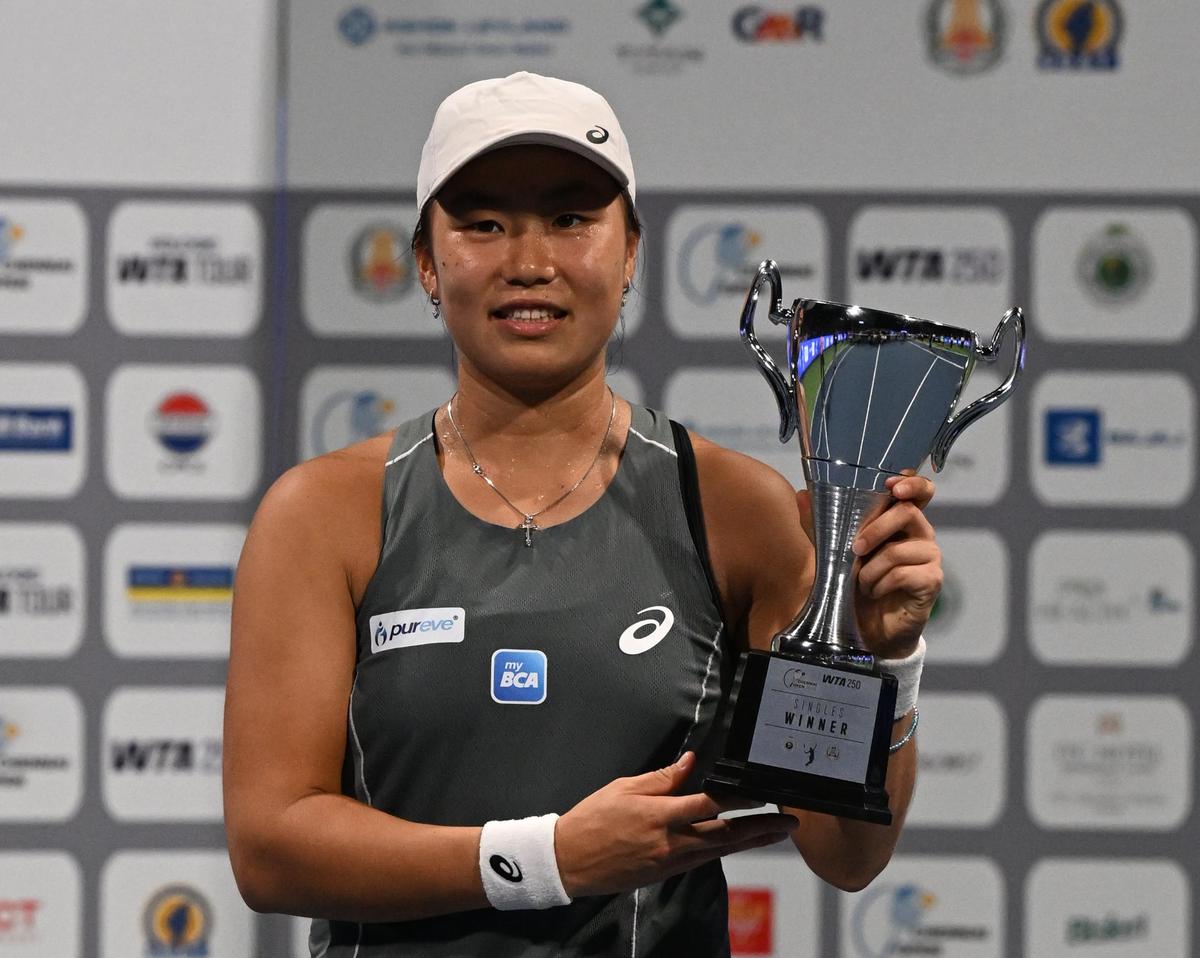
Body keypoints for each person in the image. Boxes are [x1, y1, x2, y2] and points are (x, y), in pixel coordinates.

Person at [223, 71, 942, 957]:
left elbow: (847, 852)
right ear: (426, 263)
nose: (530, 262)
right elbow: (270, 848)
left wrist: (884, 659)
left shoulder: (737, 511)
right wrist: (549, 859)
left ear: (630, 251)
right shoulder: (324, 515)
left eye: (571, 219)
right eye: (483, 224)